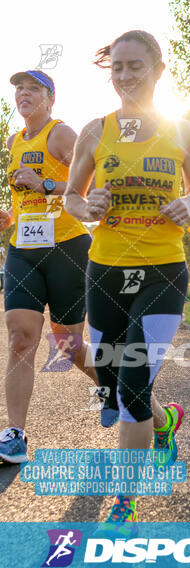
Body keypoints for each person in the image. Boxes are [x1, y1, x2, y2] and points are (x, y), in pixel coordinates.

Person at [65, 30, 190, 537]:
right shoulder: (94, 131)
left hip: (163, 270)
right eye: (117, 68)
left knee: (131, 386)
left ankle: (124, 501)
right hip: (104, 271)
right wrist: (88, 207)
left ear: (158, 70)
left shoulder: (184, 133)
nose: (125, 77)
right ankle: (166, 421)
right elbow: (71, 198)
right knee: (109, 381)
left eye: (135, 67)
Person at [0, 70, 96, 464]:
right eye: (19, 89)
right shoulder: (12, 141)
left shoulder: (61, 134)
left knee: (69, 347)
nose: (24, 93)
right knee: (21, 338)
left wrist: (48, 186)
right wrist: (8, 216)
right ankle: (15, 434)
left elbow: (89, 185)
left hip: (67, 249)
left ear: (50, 98)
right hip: (23, 249)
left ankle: (137, 400)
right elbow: (25, 200)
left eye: (33, 89)